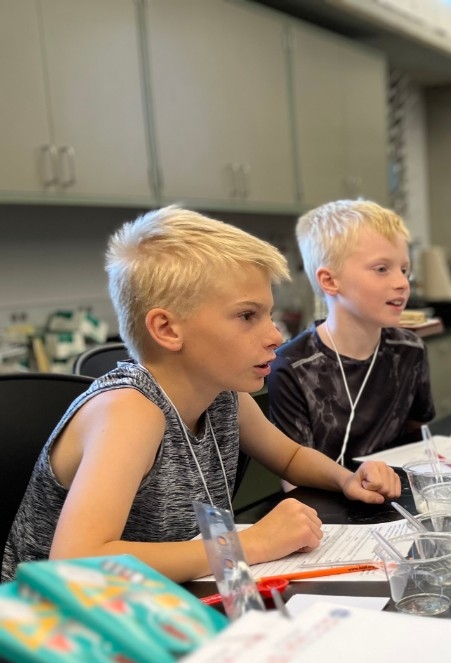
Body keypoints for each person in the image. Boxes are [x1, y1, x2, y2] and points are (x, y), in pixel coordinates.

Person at [1, 207, 401, 584]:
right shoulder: (129, 410)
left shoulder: (222, 393)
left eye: (268, 314)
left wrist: (346, 479)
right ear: (167, 329)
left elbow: (291, 457)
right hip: (50, 620)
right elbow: (75, 562)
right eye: (247, 316)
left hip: (157, 598)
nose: (275, 336)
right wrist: (249, 544)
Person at [268, 199, 433, 467]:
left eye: (404, 270)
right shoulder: (292, 367)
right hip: (322, 493)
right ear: (330, 281)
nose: (402, 283)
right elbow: (295, 474)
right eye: (382, 269)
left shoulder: (410, 349)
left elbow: (417, 437)